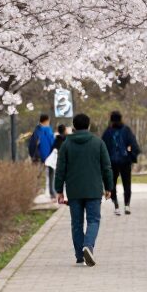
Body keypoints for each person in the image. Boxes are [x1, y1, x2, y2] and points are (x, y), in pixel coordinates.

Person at [55, 112, 113, 266]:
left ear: (74, 126)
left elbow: (60, 169)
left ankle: (80, 255)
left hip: (74, 190)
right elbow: (106, 167)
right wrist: (109, 187)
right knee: (93, 220)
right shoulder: (98, 142)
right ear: (88, 125)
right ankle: (88, 246)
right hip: (93, 189)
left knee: (76, 223)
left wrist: (59, 190)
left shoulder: (66, 144)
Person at [102, 110, 139, 215]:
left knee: (112, 184)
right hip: (125, 161)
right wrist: (131, 156)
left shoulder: (108, 132)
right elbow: (133, 144)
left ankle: (116, 206)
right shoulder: (126, 130)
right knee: (127, 184)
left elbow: (103, 147)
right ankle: (127, 205)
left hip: (111, 162)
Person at [30, 114, 56, 198]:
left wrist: (32, 155)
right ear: (46, 121)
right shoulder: (48, 130)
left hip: (37, 156)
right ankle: (52, 192)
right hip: (48, 156)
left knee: (37, 174)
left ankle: (35, 192)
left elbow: (31, 145)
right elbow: (52, 142)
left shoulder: (36, 130)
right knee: (51, 173)